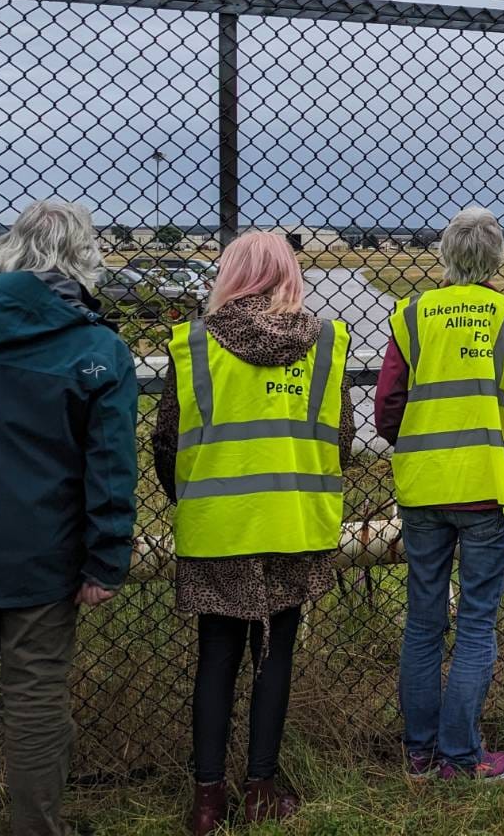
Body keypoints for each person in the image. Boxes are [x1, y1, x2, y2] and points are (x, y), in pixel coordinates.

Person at [0, 200, 138, 836]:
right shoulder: (97, 350)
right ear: (85, 260)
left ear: (6, 250)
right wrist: (105, 560)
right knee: (36, 704)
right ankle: (37, 827)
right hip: (43, 560)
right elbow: (110, 470)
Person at [152, 231, 353, 833]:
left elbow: (166, 440)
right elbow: (340, 438)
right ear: (289, 272)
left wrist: (193, 497)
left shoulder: (193, 344)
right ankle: (262, 786)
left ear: (232, 272)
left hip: (219, 527)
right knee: (276, 656)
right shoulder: (323, 342)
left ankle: (208, 799)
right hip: (293, 522)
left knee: (216, 659)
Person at [376, 207, 504, 783]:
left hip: (423, 486)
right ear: (497, 258)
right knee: (477, 622)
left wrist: (418, 441)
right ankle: (460, 755)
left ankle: (420, 753)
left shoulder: (412, 314)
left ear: (445, 255)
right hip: (486, 486)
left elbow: (387, 408)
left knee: (423, 621)